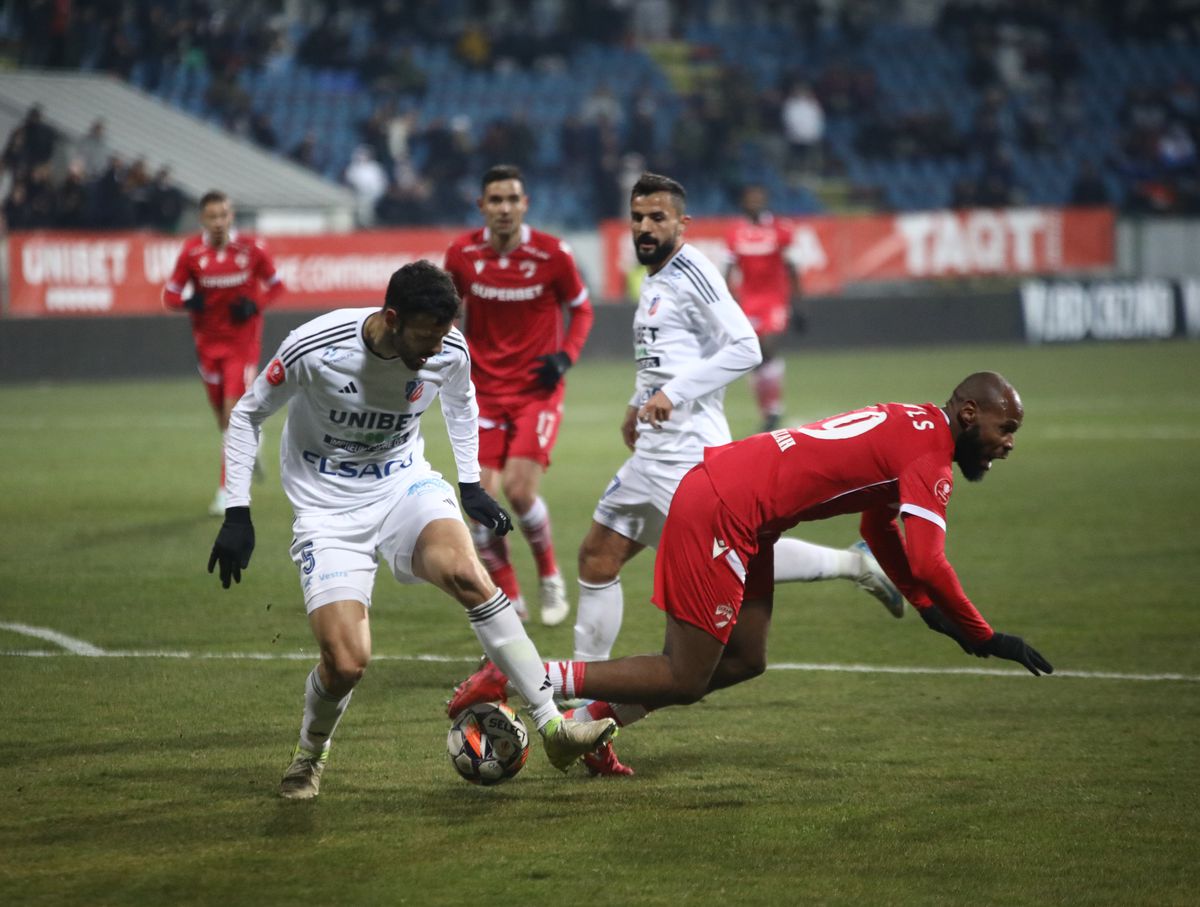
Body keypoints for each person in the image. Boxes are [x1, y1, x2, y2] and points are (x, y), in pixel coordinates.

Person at [450, 371, 1053, 773]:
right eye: (1006, 429)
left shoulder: (914, 422)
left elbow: (878, 529)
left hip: (747, 507)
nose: (1008, 444)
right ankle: (519, 674)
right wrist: (981, 635)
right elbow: (927, 558)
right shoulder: (931, 456)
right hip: (728, 507)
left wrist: (926, 610)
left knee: (744, 660)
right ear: (970, 413)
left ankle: (587, 723)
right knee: (684, 675)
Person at [206, 261, 616, 799]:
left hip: (404, 488)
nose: (431, 351)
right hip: (327, 511)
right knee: (347, 663)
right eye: (424, 337)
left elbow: (462, 402)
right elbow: (246, 415)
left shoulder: (449, 349)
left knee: (469, 574)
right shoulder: (315, 348)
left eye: (443, 336)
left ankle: (553, 725)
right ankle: (309, 755)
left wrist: (469, 484)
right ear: (391, 318)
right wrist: (238, 511)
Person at [569, 173, 902, 776]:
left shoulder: (694, 270)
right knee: (597, 558)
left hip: (692, 459)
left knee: (743, 558)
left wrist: (673, 392)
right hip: (651, 454)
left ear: (681, 224)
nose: (645, 227)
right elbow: (661, 355)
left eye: (657, 218)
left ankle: (856, 563)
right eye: (638, 217)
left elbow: (746, 346)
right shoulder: (655, 279)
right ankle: (579, 719)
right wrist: (636, 400)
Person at [443, 165, 595, 627]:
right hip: (482, 394)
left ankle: (550, 576)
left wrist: (565, 357)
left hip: (536, 391)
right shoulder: (462, 255)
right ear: (482, 206)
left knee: (520, 491)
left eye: (512, 199)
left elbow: (581, 308)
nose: (504, 208)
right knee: (480, 505)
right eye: (496, 200)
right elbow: (446, 312)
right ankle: (511, 596)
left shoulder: (552, 253)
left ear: (525, 204)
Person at [162, 190, 284, 515]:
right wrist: (189, 303)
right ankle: (251, 446)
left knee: (232, 418)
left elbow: (277, 285)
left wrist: (255, 304)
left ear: (232, 217)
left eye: (224, 215)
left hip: (241, 347)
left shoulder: (252, 250)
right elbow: (170, 295)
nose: (219, 222)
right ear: (203, 219)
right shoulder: (192, 253)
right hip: (207, 347)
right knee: (222, 420)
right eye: (213, 216)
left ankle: (226, 493)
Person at [723, 184, 804, 433]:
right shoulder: (735, 232)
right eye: (751, 198)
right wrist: (726, 303)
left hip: (775, 300)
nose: (755, 202)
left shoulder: (780, 230)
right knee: (755, 356)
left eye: (759, 198)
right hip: (749, 301)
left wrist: (799, 305)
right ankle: (768, 411)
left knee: (768, 346)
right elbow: (729, 269)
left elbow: (792, 269)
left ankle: (774, 409)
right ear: (743, 202)